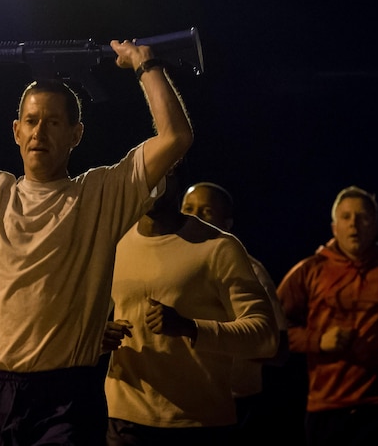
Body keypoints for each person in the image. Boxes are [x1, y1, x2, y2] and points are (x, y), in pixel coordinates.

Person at [0, 37, 193, 445]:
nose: (39, 132)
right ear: (16, 130)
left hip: (63, 398)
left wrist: (144, 65)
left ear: (75, 134)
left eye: (53, 122)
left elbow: (175, 138)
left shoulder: (98, 195)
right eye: (31, 121)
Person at [102, 163, 279, 446]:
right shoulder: (114, 242)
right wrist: (98, 337)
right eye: (142, 174)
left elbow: (266, 338)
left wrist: (190, 328)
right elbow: (82, 324)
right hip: (125, 420)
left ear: (176, 178)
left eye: (161, 171)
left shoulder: (219, 247)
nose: (149, 181)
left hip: (199, 422)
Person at [276, 185, 378, 446]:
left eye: (362, 217)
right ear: (333, 227)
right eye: (346, 217)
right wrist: (317, 341)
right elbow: (273, 328)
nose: (354, 224)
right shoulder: (308, 271)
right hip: (326, 406)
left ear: (375, 225)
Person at [180, 181, 289, 439]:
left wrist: (208, 338)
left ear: (228, 224)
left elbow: (279, 349)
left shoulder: (249, 270)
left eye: (205, 211)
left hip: (233, 406)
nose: (193, 216)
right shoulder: (169, 267)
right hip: (180, 407)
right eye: (187, 208)